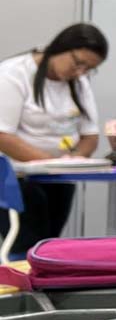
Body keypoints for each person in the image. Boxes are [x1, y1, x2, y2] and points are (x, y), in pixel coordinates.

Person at [0, 23, 108, 255]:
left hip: (58, 177)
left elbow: (90, 136)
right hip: (15, 176)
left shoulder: (79, 83)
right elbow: (2, 136)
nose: (80, 72)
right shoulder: (13, 74)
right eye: (78, 63)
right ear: (61, 47)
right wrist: (49, 162)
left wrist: (74, 159)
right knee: (24, 247)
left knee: (48, 248)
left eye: (89, 69)